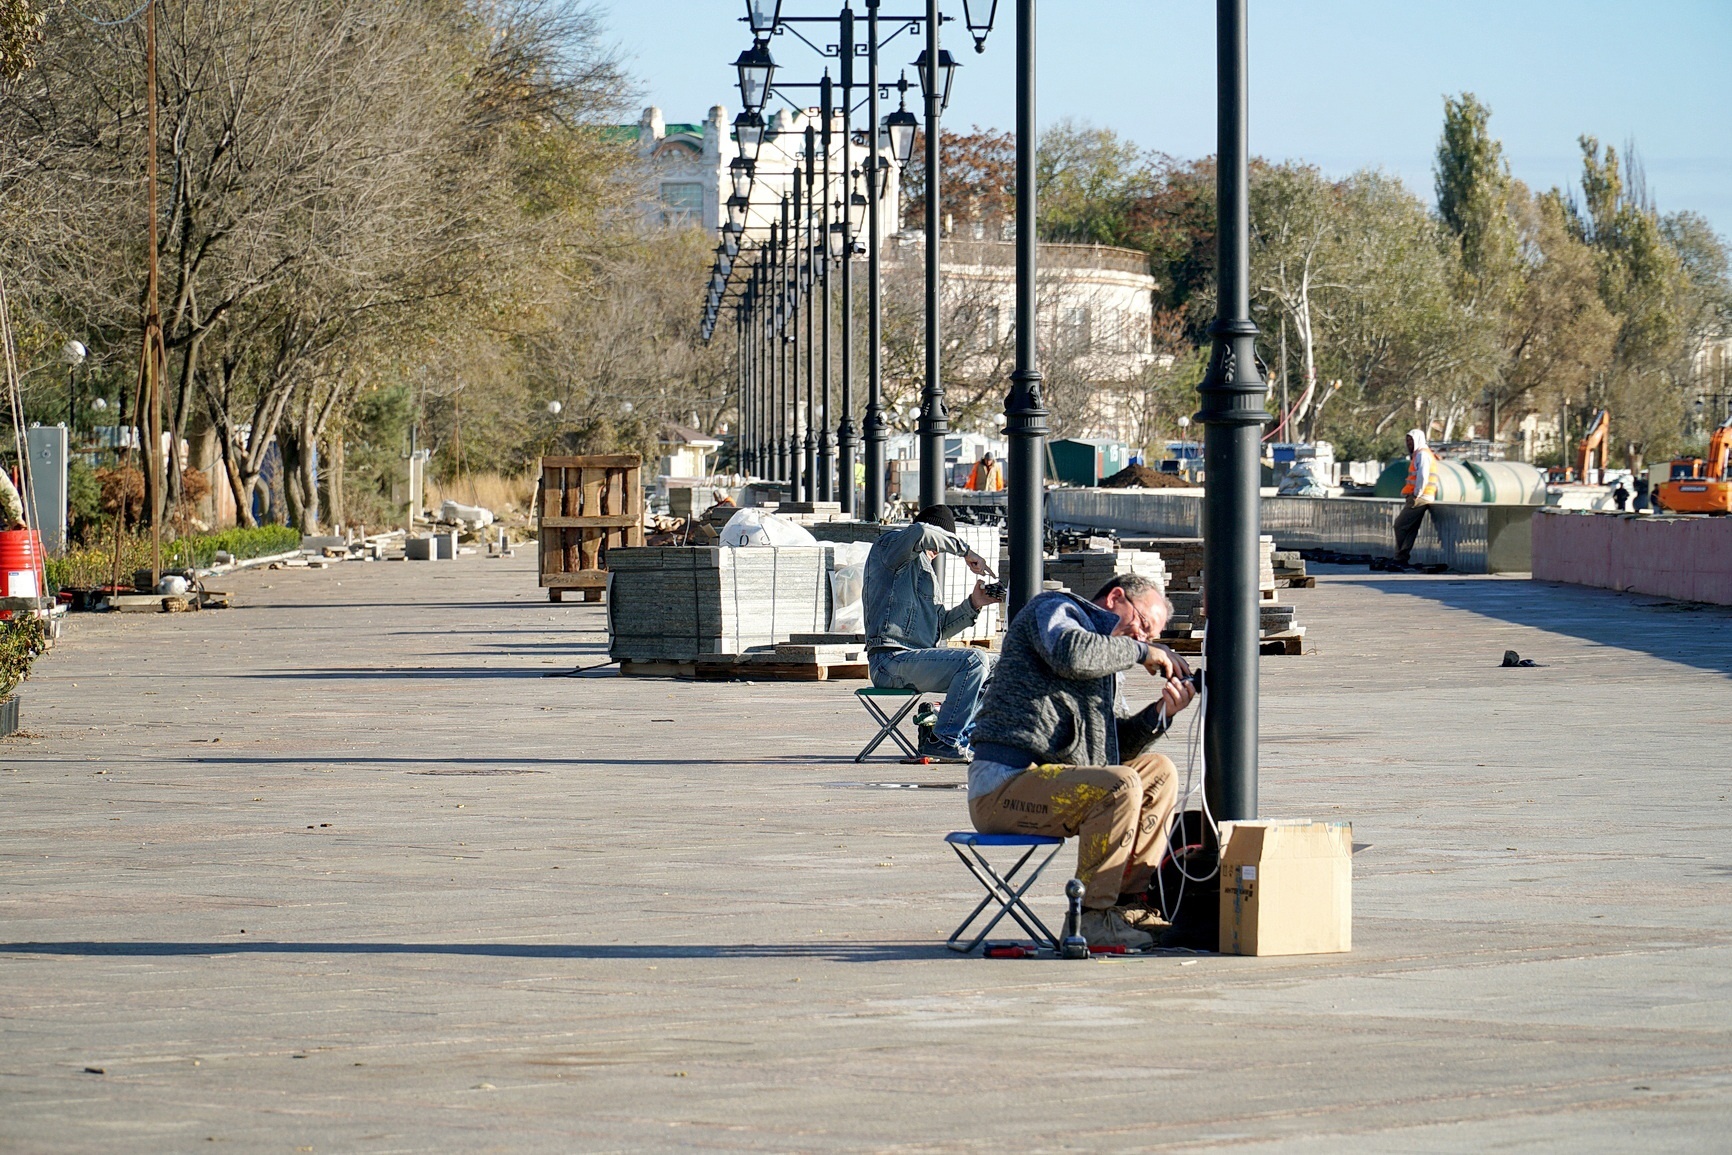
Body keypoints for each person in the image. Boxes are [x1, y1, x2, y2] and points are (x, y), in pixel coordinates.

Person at [967, 573, 1197, 950]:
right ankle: (1090, 916)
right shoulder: (1055, 609)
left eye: (1150, 637)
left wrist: (1161, 713)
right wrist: (1143, 653)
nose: (1142, 640)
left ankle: (1124, 906)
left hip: (1055, 781)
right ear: (1115, 598)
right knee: (1120, 785)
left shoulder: (1107, 662)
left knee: (1158, 772)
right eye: (1143, 626)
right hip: (1003, 787)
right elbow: (1069, 652)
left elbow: (1112, 755)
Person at [863, 505, 1000, 762]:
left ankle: (962, 738)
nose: (937, 552)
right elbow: (922, 532)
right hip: (889, 661)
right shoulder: (890, 549)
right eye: (938, 544)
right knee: (974, 659)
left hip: (916, 659)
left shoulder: (927, 572)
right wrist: (966, 551)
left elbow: (939, 630)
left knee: (1002, 666)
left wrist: (974, 604)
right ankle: (942, 739)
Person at [1391, 428, 1439, 566]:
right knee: (1410, 528)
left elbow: (1422, 476)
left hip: (1420, 497)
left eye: (1411, 440)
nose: (1408, 443)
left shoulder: (1422, 455)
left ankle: (1400, 556)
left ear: (1418, 440)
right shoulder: (1421, 454)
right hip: (1421, 496)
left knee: (1399, 525)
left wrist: (1417, 493)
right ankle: (1402, 556)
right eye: (1407, 441)